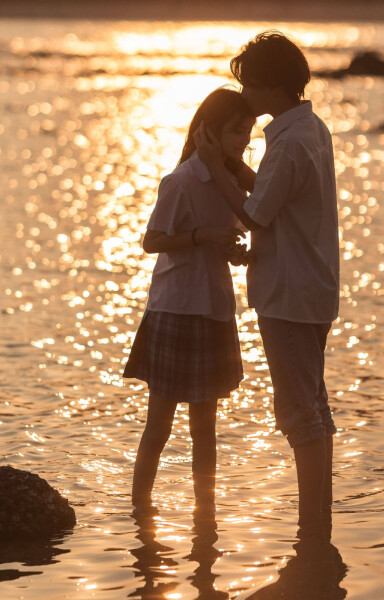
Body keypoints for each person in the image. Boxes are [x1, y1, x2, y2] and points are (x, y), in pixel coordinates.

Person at [194, 31, 339, 539]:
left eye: (250, 86)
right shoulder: (311, 130)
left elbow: (255, 217)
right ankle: (319, 521)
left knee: (300, 413)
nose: (246, 98)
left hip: (289, 293)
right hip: (313, 287)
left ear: (274, 87)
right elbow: (279, 196)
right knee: (314, 408)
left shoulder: (288, 142)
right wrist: (238, 168)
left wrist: (216, 167)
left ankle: (311, 529)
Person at [123, 88, 255, 512]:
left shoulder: (231, 182)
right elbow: (151, 241)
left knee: (206, 429)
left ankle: (206, 515)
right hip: (175, 310)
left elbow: (230, 234)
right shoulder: (180, 181)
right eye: (236, 131)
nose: (244, 140)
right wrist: (203, 236)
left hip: (215, 309)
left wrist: (233, 251)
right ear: (209, 132)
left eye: (248, 132)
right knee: (158, 427)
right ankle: (140, 512)